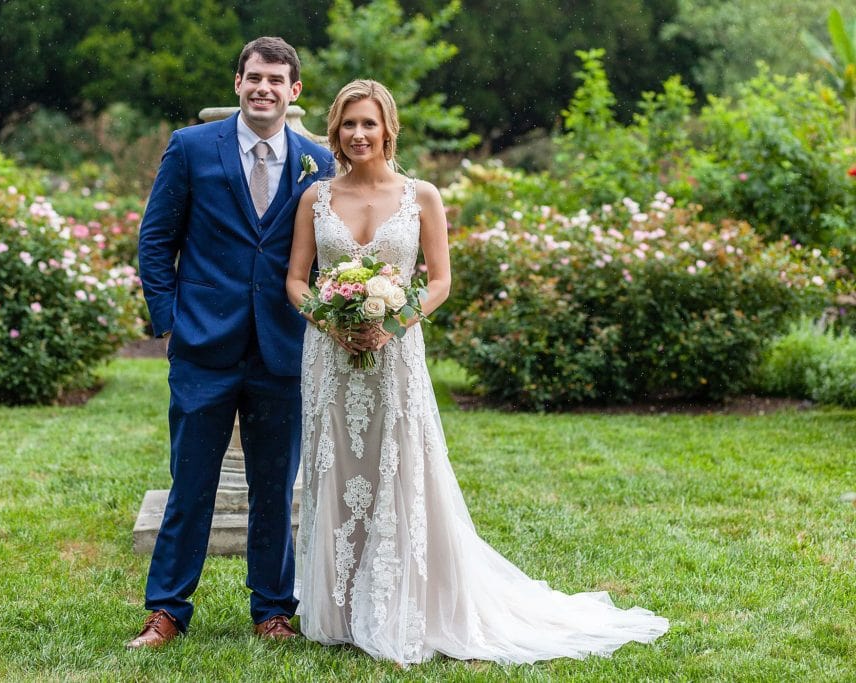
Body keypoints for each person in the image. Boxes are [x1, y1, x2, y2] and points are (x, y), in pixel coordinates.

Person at [285, 80, 669, 665]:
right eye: (346, 125)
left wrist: (395, 322)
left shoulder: (422, 196)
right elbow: (296, 279)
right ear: (334, 132)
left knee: (400, 466)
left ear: (389, 129)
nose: (357, 135)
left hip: (395, 353)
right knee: (337, 467)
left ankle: (401, 602)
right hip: (330, 358)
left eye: (368, 124)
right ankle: (338, 607)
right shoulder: (315, 198)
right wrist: (327, 320)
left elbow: (439, 281)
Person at [129, 37, 334, 649]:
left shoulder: (317, 162)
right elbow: (156, 238)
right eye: (254, 78)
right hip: (203, 348)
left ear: (294, 91)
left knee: (276, 489)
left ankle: (272, 610)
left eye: (276, 80)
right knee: (190, 485)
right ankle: (166, 610)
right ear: (237, 84)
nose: (263, 88)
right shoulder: (192, 148)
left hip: (283, 350)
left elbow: (331, 250)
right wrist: (170, 319)